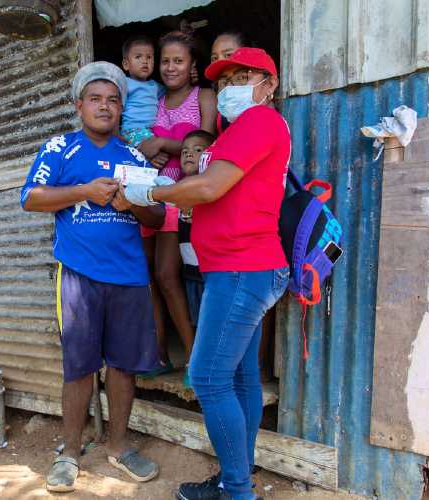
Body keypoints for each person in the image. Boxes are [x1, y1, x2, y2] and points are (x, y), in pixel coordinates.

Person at [124, 48, 291, 500]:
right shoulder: (240, 131)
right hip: (241, 268)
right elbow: (211, 192)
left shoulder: (259, 122)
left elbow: (209, 186)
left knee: (208, 379)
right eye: (224, 81)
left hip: (243, 268)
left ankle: (237, 491)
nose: (230, 86)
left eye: (243, 76)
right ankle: (234, 479)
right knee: (238, 379)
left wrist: (148, 190)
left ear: (269, 84)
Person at [21, 61, 165, 493]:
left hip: (129, 277)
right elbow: (30, 198)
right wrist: (84, 191)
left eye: (113, 100)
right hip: (79, 277)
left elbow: (157, 215)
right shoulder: (59, 149)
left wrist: (133, 205)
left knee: (123, 367)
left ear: (122, 108)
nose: (105, 106)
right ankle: (69, 450)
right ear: (79, 104)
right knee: (80, 367)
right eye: (96, 99)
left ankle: (119, 447)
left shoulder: (134, 157)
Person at [137, 30, 217, 386]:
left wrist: (161, 143)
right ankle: (159, 354)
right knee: (148, 277)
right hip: (148, 192)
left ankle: (195, 362)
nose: (170, 67)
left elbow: (206, 143)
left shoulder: (205, 95)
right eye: (165, 60)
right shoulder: (151, 98)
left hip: (182, 196)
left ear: (193, 65)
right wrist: (145, 147)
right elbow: (137, 137)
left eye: (178, 61)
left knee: (169, 276)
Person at [176, 130, 215, 330]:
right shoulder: (178, 188)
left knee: (214, 325)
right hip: (191, 273)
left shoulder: (211, 188)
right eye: (184, 151)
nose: (189, 154)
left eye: (198, 150)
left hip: (211, 274)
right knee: (199, 324)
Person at [120, 35, 164, 148]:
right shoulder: (125, 83)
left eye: (149, 57)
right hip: (132, 131)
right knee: (159, 148)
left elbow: (173, 94)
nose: (144, 61)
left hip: (151, 131)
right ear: (126, 64)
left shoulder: (155, 86)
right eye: (138, 57)